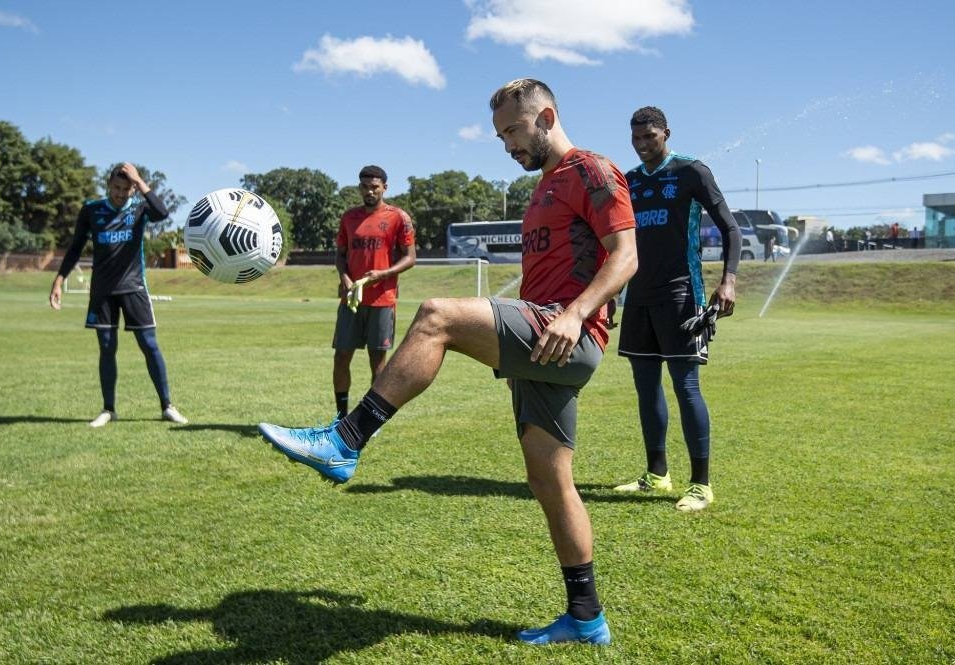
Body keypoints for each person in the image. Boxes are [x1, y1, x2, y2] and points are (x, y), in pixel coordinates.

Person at [258, 78, 637, 645]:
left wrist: (577, 313)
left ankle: (345, 441)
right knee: (550, 482)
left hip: (567, 332)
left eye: (513, 130)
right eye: (500, 134)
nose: (508, 144)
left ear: (547, 116)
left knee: (436, 314)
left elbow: (626, 256)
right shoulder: (541, 189)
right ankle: (587, 618)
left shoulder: (592, 170)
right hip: (544, 341)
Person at [613, 106, 740, 513]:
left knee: (686, 387)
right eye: (636, 139)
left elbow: (730, 228)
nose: (642, 145)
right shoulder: (628, 182)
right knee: (645, 385)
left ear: (666, 133)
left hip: (682, 295)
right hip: (638, 297)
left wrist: (729, 280)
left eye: (650, 137)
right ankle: (656, 474)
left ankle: (701, 485)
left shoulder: (691, 172)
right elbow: (617, 245)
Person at [49, 163, 188, 427]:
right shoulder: (91, 209)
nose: (120, 194)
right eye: (116, 188)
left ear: (133, 188)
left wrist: (140, 181)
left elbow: (162, 212)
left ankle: (167, 406)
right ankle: (108, 409)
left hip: (134, 286)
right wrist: (59, 280)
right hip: (102, 291)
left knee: (149, 345)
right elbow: (76, 247)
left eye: (126, 189)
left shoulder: (140, 208)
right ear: (108, 185)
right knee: (106, 347)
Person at [332, 165, 416, 421]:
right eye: (365, 186)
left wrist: (381, 274)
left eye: (374, 187)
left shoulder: (398, 217)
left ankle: (369, 419)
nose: (369, 191)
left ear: (384, 188)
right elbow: (340, 255)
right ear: (359, 187)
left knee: (377, 361)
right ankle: (340, 416)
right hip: (351, 299)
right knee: (341, 357)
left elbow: (410, 258)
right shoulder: (349, 218)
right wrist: (345, 277)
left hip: (382, 299)